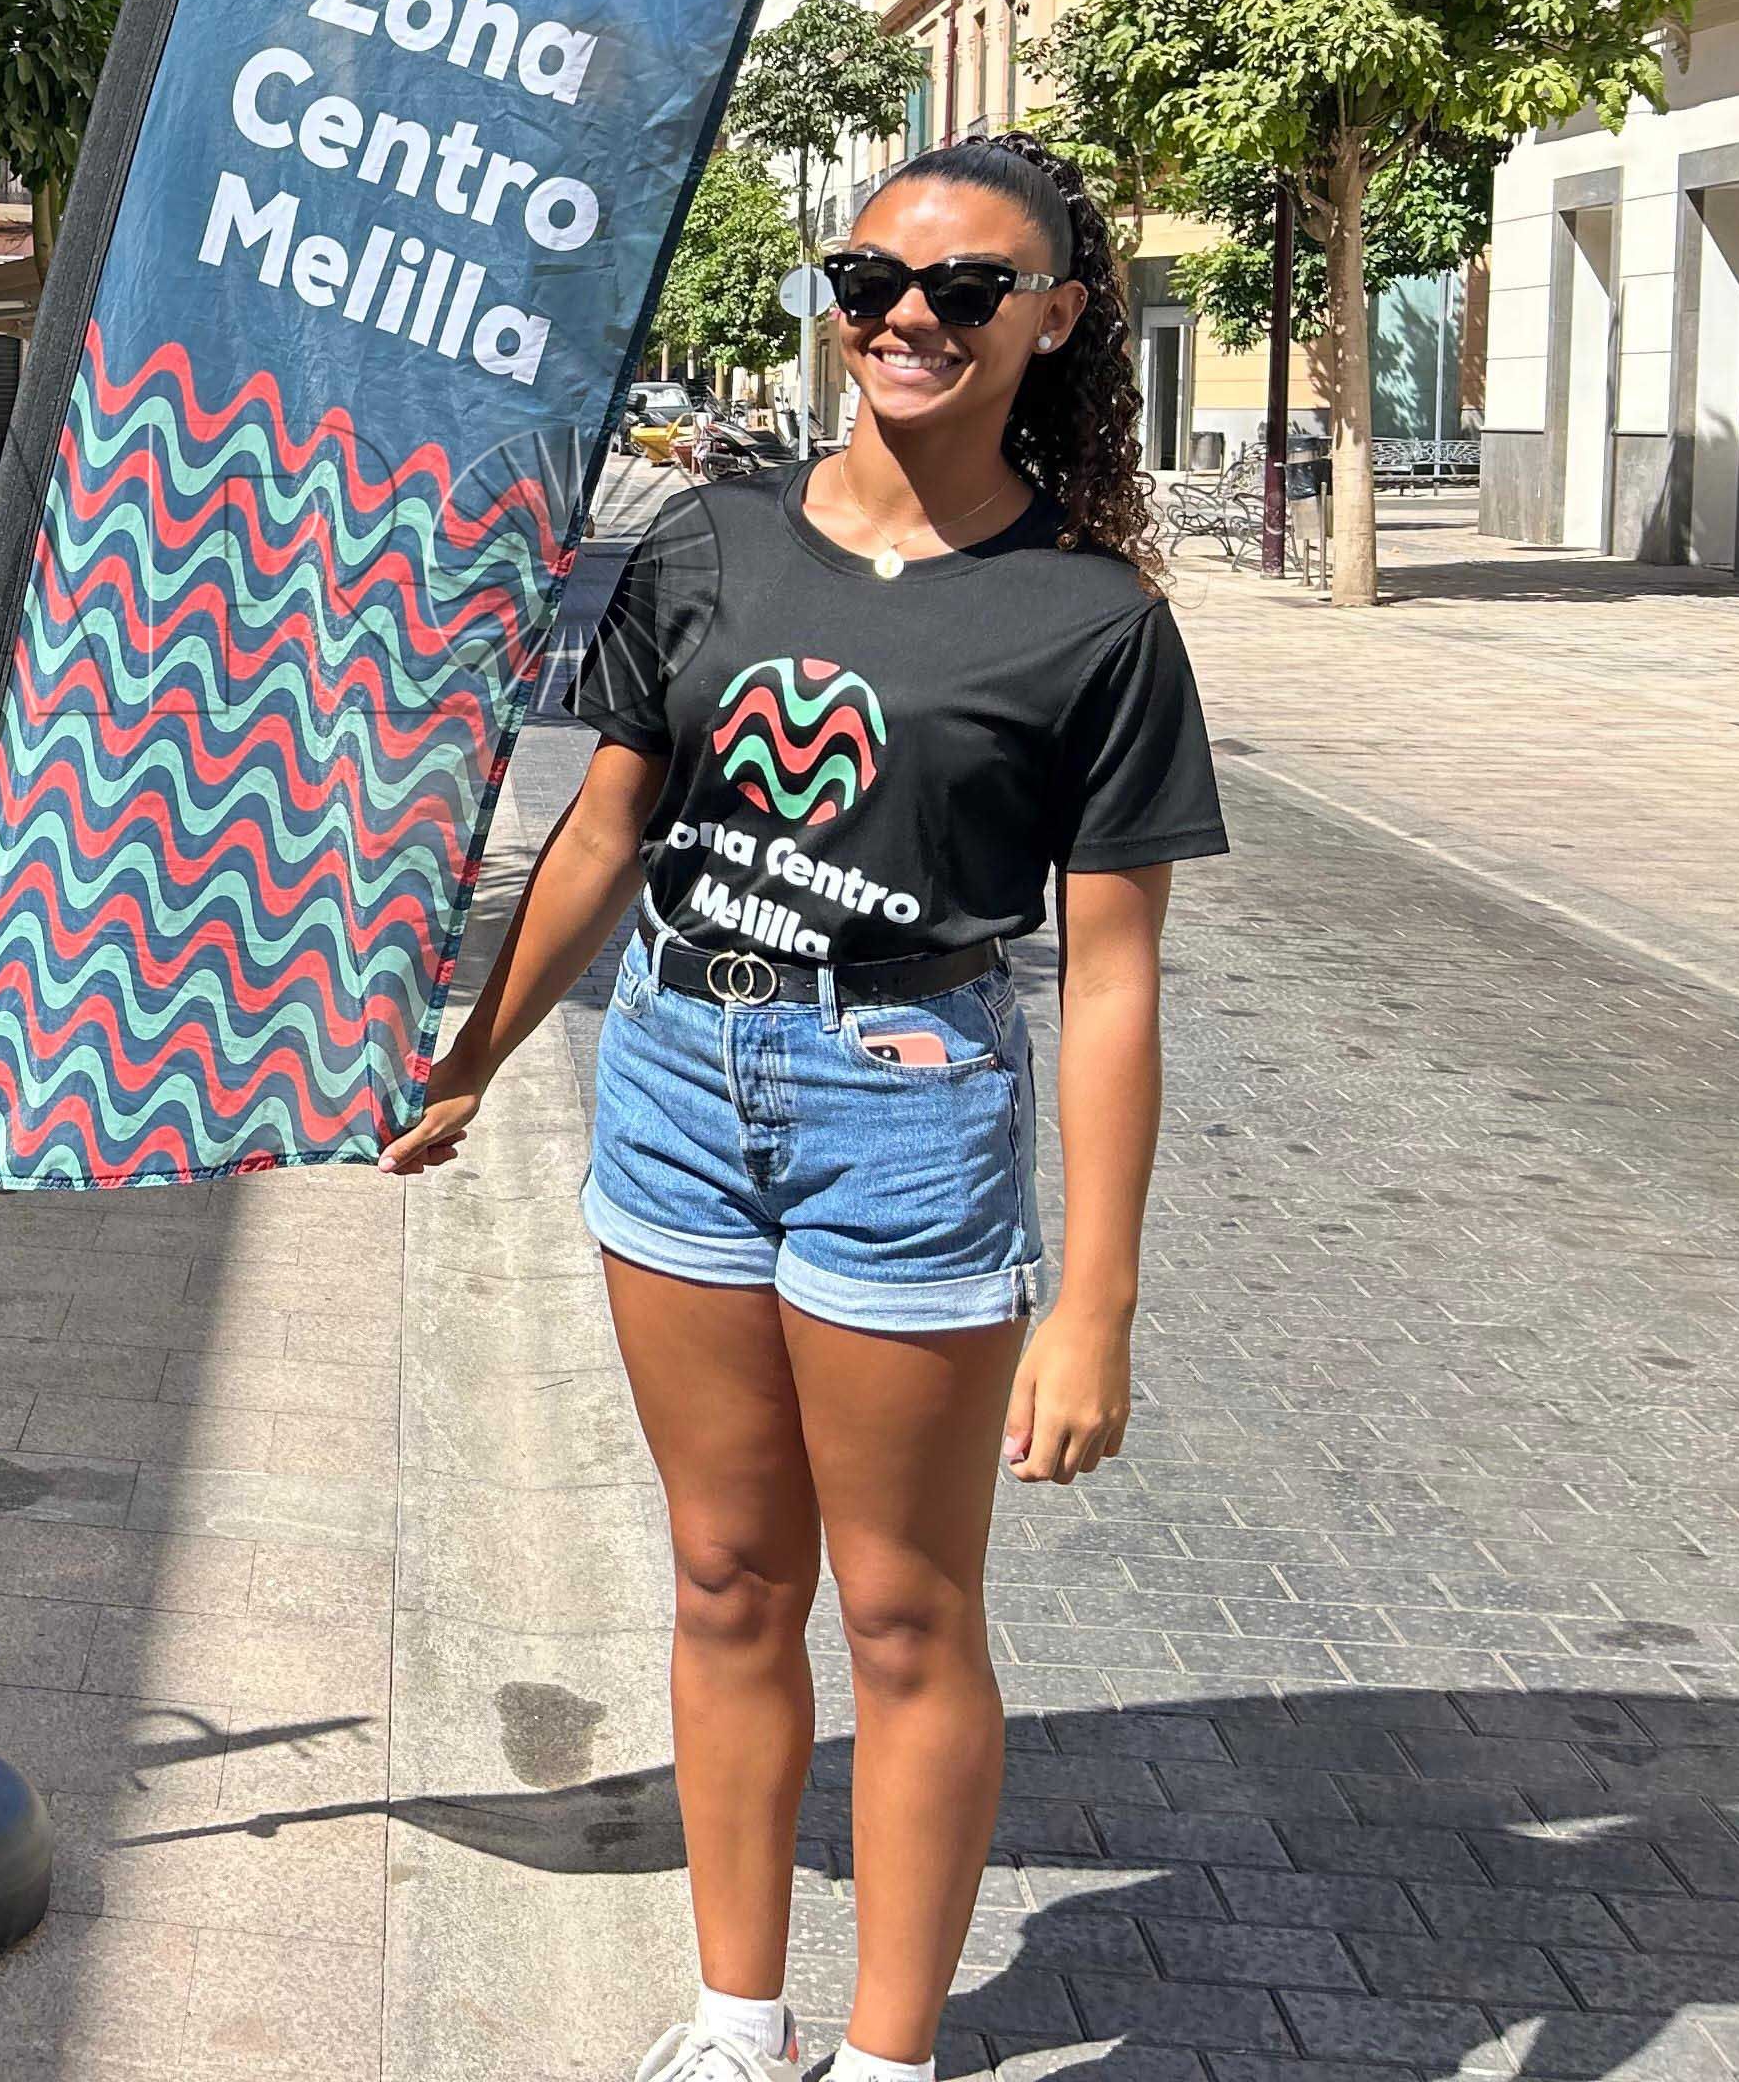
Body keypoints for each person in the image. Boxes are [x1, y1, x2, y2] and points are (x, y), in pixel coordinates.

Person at [383, 134, 1225, 2082]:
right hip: (674, 1075)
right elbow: (607, 829)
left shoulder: (1092, 624)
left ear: (1057, 318)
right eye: (874, 282)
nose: (908, 319)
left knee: (910, 1619)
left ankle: (890, 2056)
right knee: (724, 1575)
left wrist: (1092, 1301)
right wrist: (472, 1053)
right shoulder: (711, 540)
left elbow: (1110, 981)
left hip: (907, 1113)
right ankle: (738, 2019)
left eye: (964, 290)